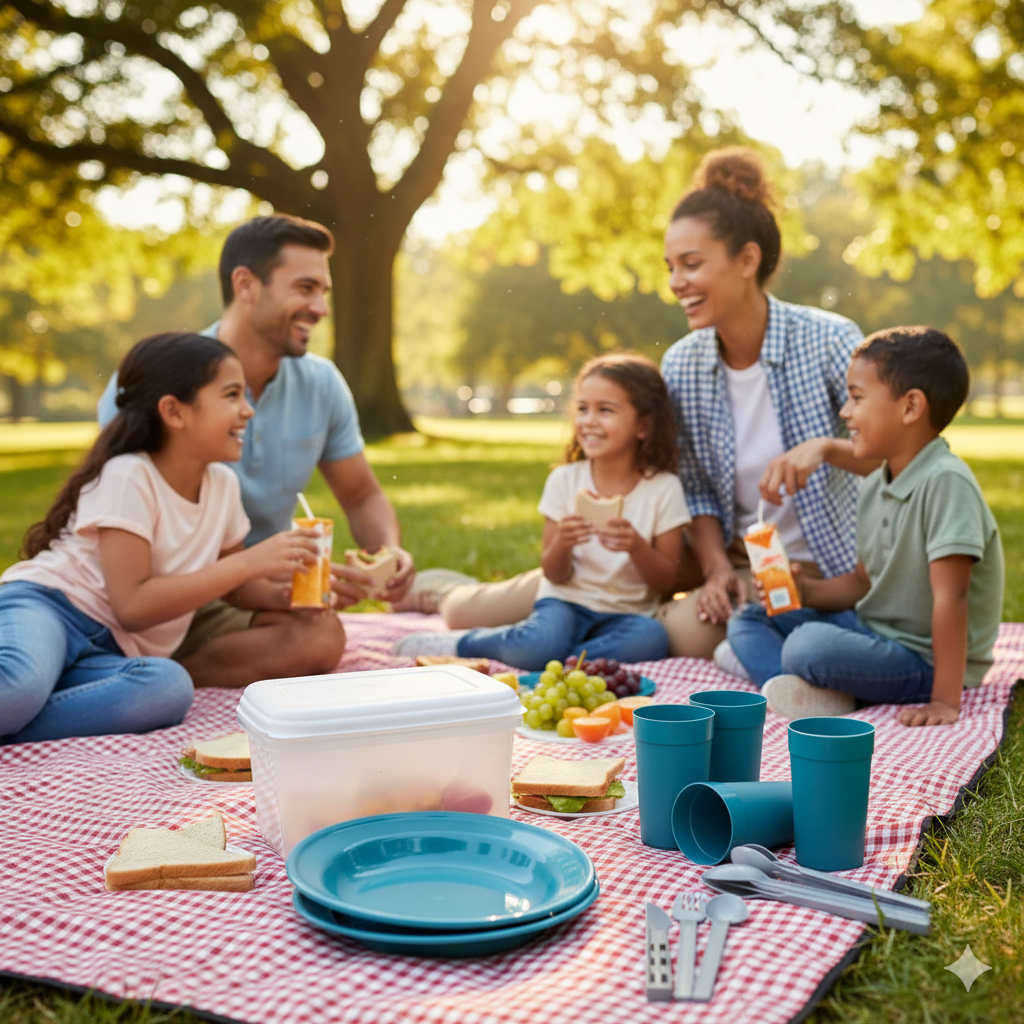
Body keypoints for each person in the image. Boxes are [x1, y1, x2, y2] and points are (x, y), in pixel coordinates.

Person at [403, 148, 878, 659]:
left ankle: (561, 627)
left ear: (747, 259)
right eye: (671, 267)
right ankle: (448, 595)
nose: (676, 284)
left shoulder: (829, 340)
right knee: (482, 610)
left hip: (830, 567)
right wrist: (718, 570)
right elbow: (694, 489)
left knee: (685, 637)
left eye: (692, 265)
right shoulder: (685, 365)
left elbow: (894, 455)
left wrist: (825, 449)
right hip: (732, 561)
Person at [98, 214, 413, 686]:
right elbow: (120, 500)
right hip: (157, 591)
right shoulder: (162, 378)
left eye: (323, 292)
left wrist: (386, 555)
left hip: (250, 591)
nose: (320, 308)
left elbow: (362, 495)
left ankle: (151, 677)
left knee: (321, 637)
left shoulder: (321, 383)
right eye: (305, 288)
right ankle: (130, 671)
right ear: (245, 285)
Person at [1, 333, 326, 744]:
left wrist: (303, 592)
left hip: (113, 652)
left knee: (168, 688)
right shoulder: (130, 476)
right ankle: (16, 708)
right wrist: (250, 560)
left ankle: (13, 725)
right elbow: (132, 606)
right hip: (50, 608)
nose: (248, 410)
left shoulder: (222, 486)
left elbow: (238, 588)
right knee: (18, 688)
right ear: (174, 412)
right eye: (231, 395)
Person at [726, 327, 1004, 726]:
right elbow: (862, 582)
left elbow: (953, 598)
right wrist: (804, 591)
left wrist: (944, 700)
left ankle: (806, 680)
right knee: (750, 616)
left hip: (924, 657)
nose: (845, 412)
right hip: (873, 630)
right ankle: (787, 688)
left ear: (910, 408)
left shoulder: (945, 481)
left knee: (807, 646)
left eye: (856, 398)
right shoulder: (876, 483)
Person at [393, 353, 690, 669]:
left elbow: (666, 579)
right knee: (540, 643)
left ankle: (562, 661)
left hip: (629, 615)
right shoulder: (565, 480)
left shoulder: (664, 489)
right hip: (565, 602)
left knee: (652, 639)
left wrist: (636, 547)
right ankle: (462, 644)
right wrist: (563, 542)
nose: (589, 420)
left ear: (643, 426)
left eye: (605, 410)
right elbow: (553, 572)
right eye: (582, 409)